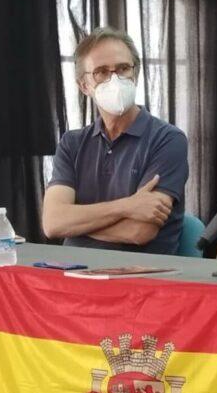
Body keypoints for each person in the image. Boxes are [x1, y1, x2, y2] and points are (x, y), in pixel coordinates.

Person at [43, 27, 189, 254]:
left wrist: (74, 223)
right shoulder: (71, 143)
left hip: (141, 276)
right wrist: (128, 206)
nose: (115, 80)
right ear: (84, 86)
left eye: (123, 69)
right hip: (75, 270)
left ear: (136, 74)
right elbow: (52, 223)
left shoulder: (168, 139)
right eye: (101, 72)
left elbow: (139, 231)